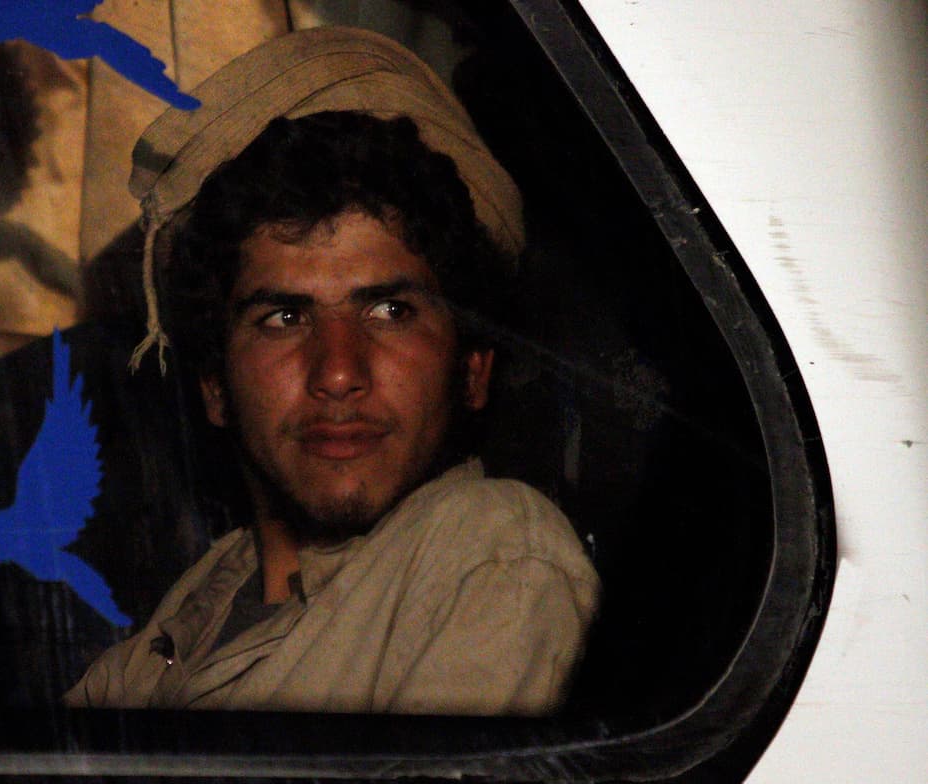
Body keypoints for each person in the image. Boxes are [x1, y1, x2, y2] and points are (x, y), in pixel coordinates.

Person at [63, 27, 599, 715]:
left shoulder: (491, 549)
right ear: (215, 386)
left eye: (390, 312)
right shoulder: (211, 591)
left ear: (473, 369)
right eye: (285, 318)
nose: (339, 373)